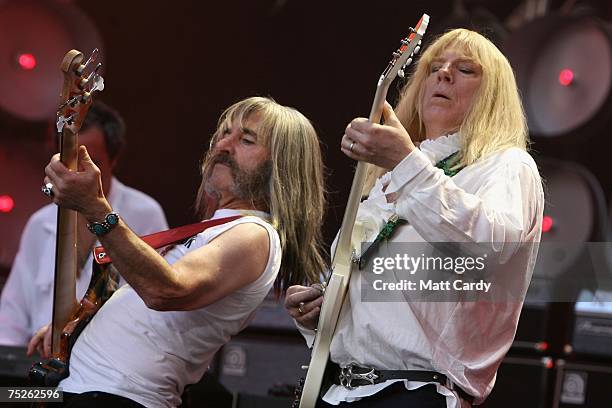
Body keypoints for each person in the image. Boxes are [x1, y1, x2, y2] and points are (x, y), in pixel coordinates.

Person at [285, 28, 544, 407]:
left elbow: (486, 250)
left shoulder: (507, 166)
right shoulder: (388, 176)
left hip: (416, 391)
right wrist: (318, 316)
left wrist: (406, 163)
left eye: (466, 69)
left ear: (494, 96)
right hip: (340, 389)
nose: (443, 74)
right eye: (434, 67)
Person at [29, 96, 327, 407]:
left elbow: (166, 290)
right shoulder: (214, 230)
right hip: (79, 388)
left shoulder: (255, 234)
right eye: (224, 133)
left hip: (113, 397)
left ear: (280, 166)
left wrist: (95, 207)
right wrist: (80, 327)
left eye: (246, 139)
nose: (224, 145)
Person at [0, 101, 168, 346]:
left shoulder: (145, 214)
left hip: (109, 369)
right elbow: (11, 315)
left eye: (90, 163)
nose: (76, 174)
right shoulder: (40, 223)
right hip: (39, 370)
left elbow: (154, 305)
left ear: (115, 158)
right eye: (69, 162)